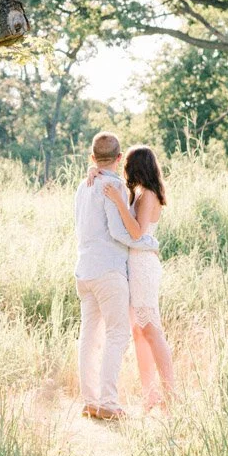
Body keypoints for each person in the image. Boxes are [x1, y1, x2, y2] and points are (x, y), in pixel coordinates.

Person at [75, 131, 157, 420]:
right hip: (108, 270)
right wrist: (146, 242)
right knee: (117, 333)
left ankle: (90, 401)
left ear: (92, 157)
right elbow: (118, 231)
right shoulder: (113, 186)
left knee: (89, 336)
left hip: (84, 270)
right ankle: (108, 402)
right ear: (119, 158)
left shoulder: (83, 187)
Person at [99, 145, 175, 410]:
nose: (125, 170)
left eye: (128, 164)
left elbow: (137, 233)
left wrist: (120, 203)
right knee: (139, 331)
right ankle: (150, 394)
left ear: (137, 166)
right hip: (135, 264)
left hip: (143, 266)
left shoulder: (148, 195)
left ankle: (170, 393)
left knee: (151, 329)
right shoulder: (139, 194)